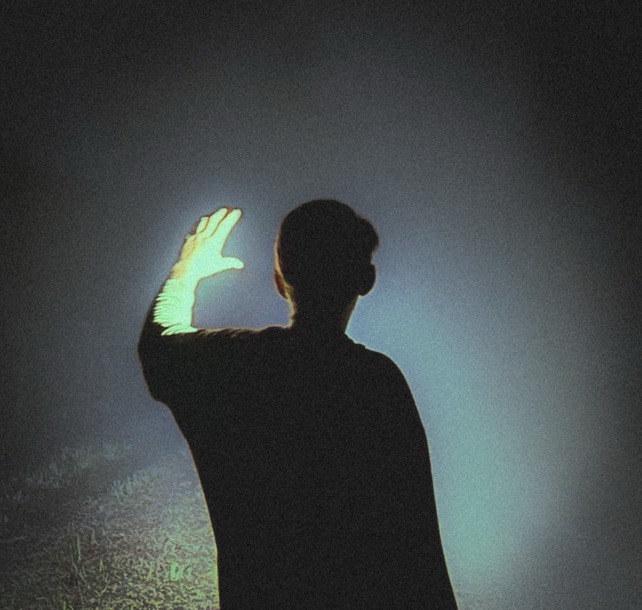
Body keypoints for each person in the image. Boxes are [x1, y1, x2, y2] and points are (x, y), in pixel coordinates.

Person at [138, 200, 457, 608]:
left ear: (279, 280)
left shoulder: (232, 364)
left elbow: (158, 344)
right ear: (366, 280)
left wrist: (186, 271)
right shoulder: (376, 384)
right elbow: (419, 547)